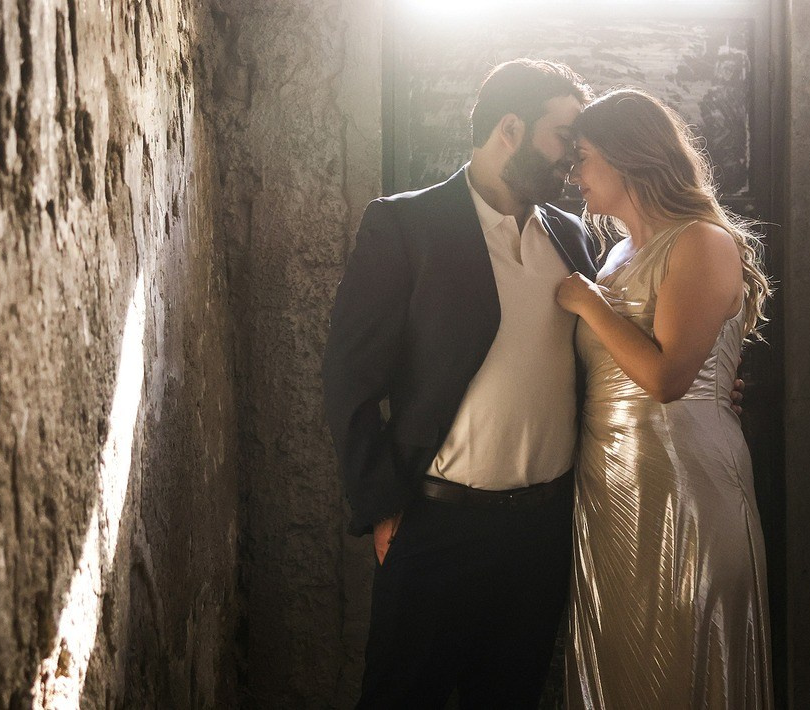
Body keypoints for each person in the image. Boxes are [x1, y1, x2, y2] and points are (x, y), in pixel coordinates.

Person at [322, 58, 598, 710]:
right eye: (563, 136)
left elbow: (605, 361)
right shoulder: (404, 226)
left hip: (543, 535)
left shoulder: (573, 236)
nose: (574, 157)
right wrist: (381, 503)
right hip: (435, 527)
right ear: (510, 127)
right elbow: (349, 378)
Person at [556, 88, 775, 710]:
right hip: (608, 484)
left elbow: (667, 380)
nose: (573, 175)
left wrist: (587, 303)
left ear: (628, 159)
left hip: (688, 481)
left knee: (681, 656)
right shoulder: (616, 254)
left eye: (584, 158)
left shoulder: (701, 241)